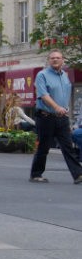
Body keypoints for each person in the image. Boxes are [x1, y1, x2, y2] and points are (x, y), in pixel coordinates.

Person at [28, 50, 82, 184]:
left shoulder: (65, 76)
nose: (55, 60)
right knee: (44, 147)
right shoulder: (42, 75)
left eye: (58, 58)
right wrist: (57, 107)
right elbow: (43, 95)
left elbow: (65, 95)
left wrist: (65, 108)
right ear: (49, 60)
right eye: (52, 58)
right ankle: (36, 174)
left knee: (68, 146)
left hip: (62, 118)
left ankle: (78, 175)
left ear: (63, 60)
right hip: (46, 117)